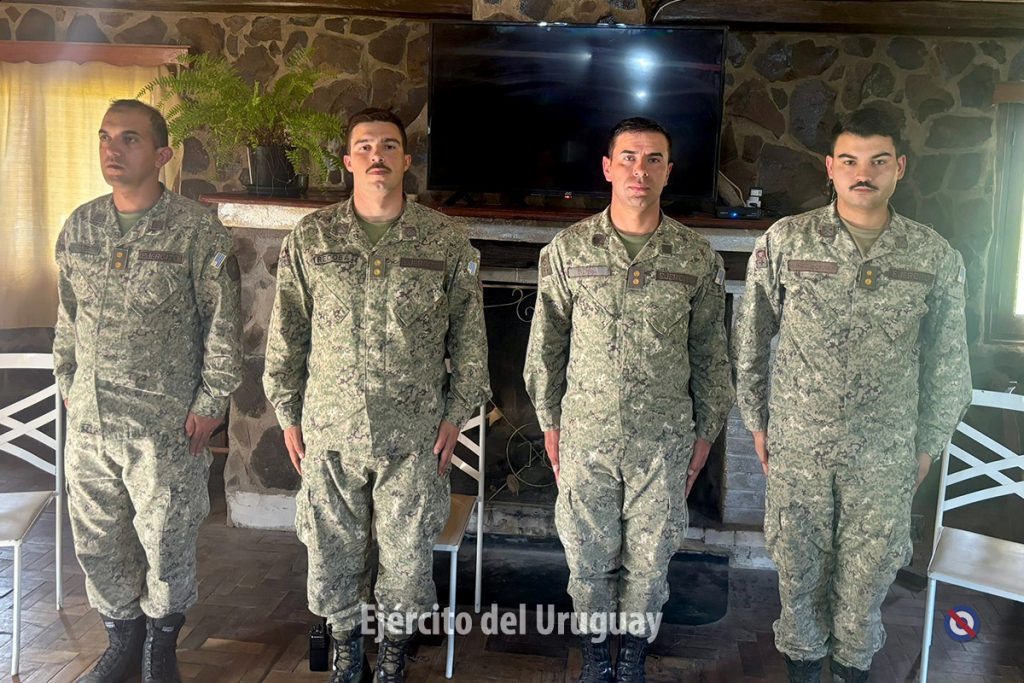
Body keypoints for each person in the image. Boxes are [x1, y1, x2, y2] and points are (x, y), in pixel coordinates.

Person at [732, 107, 972, 683]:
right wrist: (758, 424)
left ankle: (851, 673)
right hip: (800, 450)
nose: (864, 174)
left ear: (899, 168)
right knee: (798, 579)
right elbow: (749, 340)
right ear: (830, 168)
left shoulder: (933, 256)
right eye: (850, 161)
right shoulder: (786, 241)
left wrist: (926, 447)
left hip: (885, 457)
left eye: (878, 162)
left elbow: (949, 365)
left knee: (867, 586)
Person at [263, 108, 490, 683]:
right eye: (364, 146)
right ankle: (347, 653)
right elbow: (287, 332)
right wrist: (288, 413)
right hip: (330, 429)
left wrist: (456, 415)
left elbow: (470, 341)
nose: (376, 156)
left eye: (388, 146)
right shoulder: (312, 238)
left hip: (414, 436)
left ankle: (391, 657)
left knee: (407, 559)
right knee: (332, 551)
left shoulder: (445, 240)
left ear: (406, 160)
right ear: (347, 160)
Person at [523, 117, 734, 683]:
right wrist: (550, 423)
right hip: (585, 436)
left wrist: (706, 435)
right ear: (608, 168)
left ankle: (633, 655)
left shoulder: (696, 257)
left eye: (653, 159)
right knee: (587, 559)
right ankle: (596, 657)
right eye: (629, 158)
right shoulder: (568, 251)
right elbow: (546, 346)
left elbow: (711, 355)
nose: (640, 170)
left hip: (664, 442)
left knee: (650, 560)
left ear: (669, 171)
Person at [53, 99, 242, 682]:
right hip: (91, 423)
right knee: (98, 541)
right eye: (105, 136)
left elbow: (223, 325)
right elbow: (67, 316)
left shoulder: (196, 231)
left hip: (165, 427)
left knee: (165, 541)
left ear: (162, 155)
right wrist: (67, 381)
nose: (112, 148)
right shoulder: (81, 226)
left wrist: (211, 403)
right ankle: (121, 641)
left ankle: (161, 646)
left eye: (129, 138)